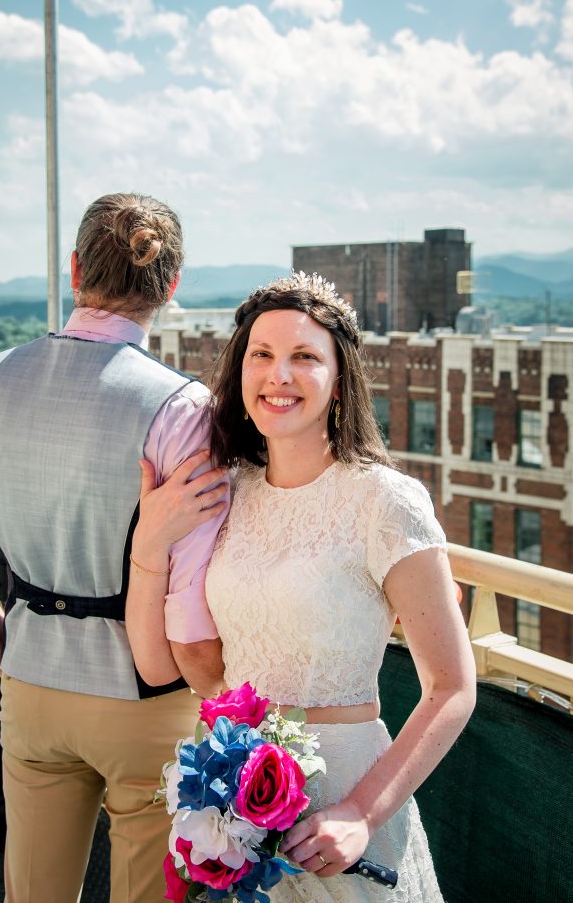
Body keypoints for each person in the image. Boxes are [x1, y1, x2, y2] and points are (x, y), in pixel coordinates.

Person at [0, 192, 228, 903]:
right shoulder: (184, 411)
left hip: (30, 691)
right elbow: (193, 620)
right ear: (170, 287)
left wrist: (19, 660)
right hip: (148, 702)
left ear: (77, 268)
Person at [126, 271, 476, 902]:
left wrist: (362, 814)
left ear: (339, 382)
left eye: (304, 357)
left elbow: (453, 687)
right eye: (261, 355)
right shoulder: (224, 492)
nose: (277, 375)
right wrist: (149, 544)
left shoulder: (386, 502)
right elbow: (156, 668)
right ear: (240, 372)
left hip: (343, 797)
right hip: (233, 805)